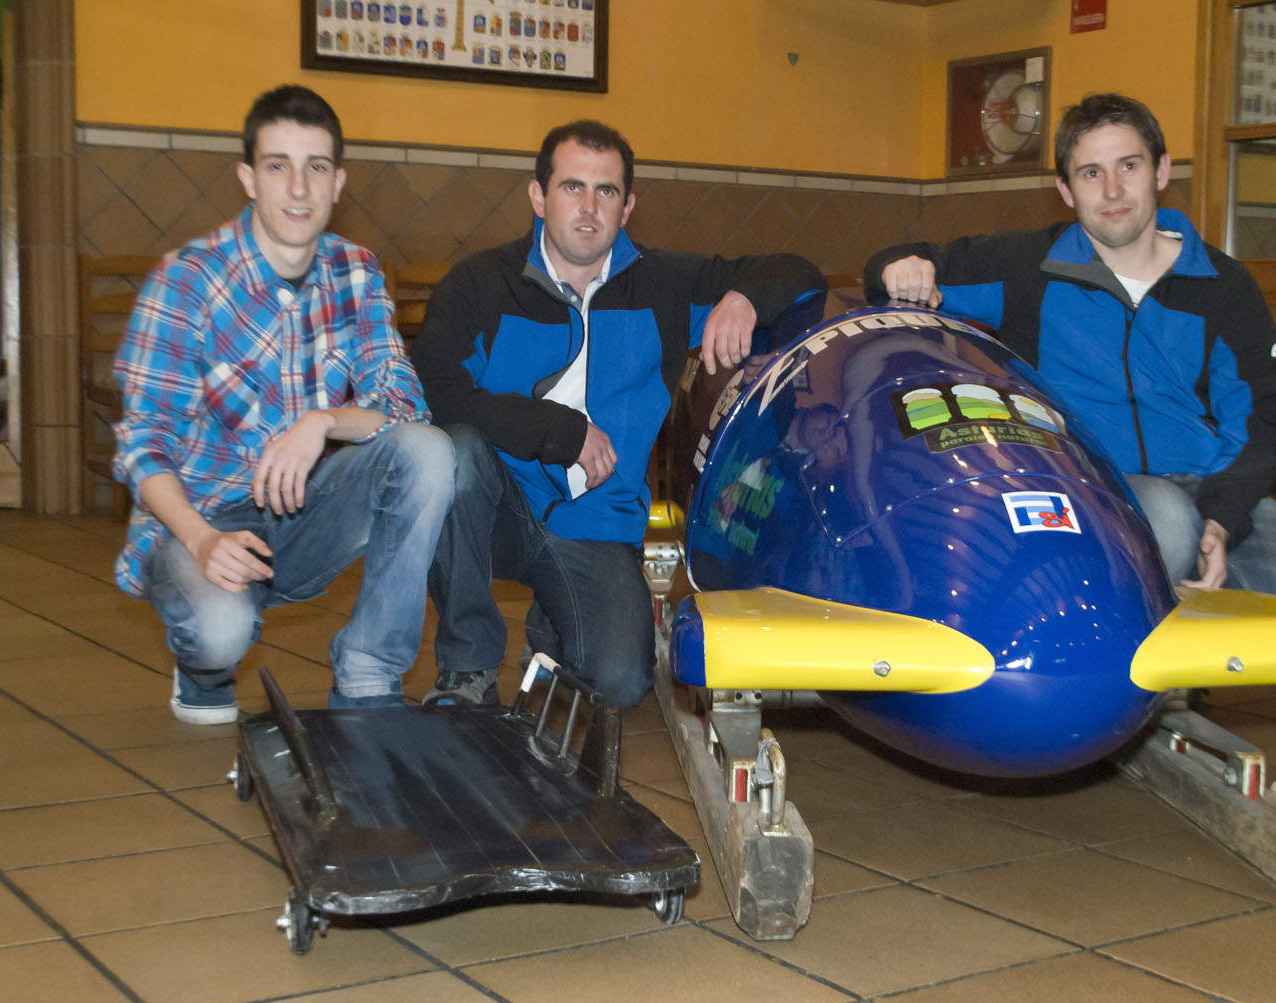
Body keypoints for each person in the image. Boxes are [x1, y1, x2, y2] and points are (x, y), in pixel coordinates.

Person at [411, 119, 825, 708]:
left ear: (627, 207)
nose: (588, 208)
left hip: (595, 521)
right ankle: (467, 667)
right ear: (538, 196)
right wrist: (557, 430)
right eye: (571, 187)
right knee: (452, 453)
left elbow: (798, 272)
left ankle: (551, 633)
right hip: (494, 508)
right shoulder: (480, 283)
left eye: (605, 192)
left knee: (620, 682)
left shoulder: (664, 285)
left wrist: (742, 298)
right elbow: (435, 390)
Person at [865, 92, 1276, 607]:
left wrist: (1224, 520)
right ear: (1066, 191)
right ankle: (1158, 684)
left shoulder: (1224, 285)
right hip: (1091, 481)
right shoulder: (1030, 267)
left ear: (1160, 171)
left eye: (1128, 166)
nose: (1113, 190)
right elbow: (902, 265)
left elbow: (1257, 422)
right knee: (1170, 527)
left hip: (1213, 484)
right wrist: (899, 268)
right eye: (1091, 174)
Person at [112, 84, 454, 724]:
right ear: (248, 177)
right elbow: (141, 444)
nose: (298, 188)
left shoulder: (356, 271)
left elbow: (403, 402)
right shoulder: (185, 280)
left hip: (299, 514)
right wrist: (204, 539)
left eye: (316, 168)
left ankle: (369, 670)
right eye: (278, 166)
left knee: (427, 453)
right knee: (219, 633)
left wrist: (322, 421)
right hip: (200, 517)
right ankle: (203, 668)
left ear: (338, 183)